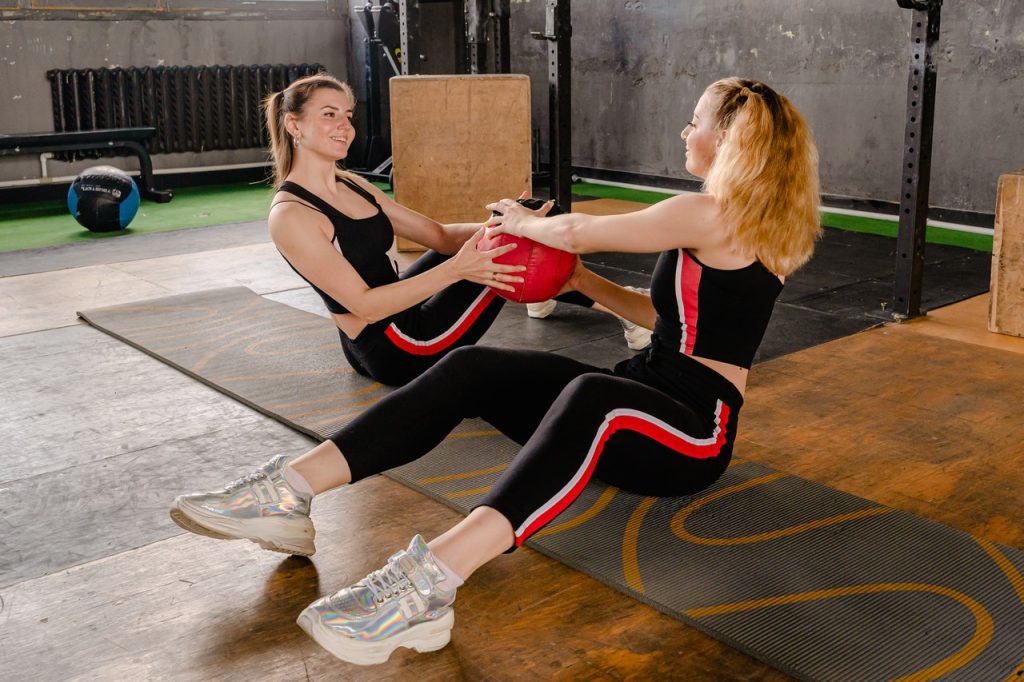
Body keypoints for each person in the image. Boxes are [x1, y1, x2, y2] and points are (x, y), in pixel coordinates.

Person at [170, 76, 820, 666]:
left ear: (730, 138)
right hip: (648, 390)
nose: (686, 130)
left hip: (694, 431)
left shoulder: (712, 212)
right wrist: (584, 284)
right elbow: (664, 315)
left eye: (696, 120)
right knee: (477, 367)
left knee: (595, 395)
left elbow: (576, 231)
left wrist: (518, 223)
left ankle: (428, 583)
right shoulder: (732, 221)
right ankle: (287, 489)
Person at [261, 72, 619, 387]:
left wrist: (507, 221)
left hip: (395, 322)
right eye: (329, 115)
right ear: (294, 125)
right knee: (508, 250)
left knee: (509, 234)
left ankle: (587, 297)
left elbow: (440, 237)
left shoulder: (352, 184)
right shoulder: (293, 215)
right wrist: (461, 267)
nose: (345, 126)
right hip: (398, 348)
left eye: (348, 115)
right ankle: (620, 307)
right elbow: (366, 307)